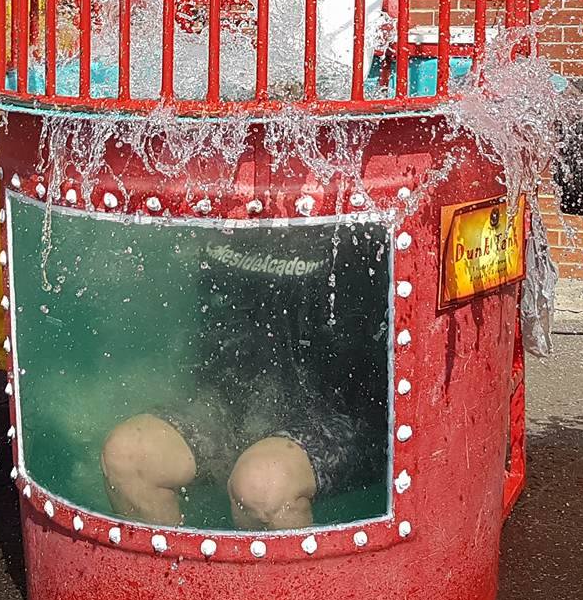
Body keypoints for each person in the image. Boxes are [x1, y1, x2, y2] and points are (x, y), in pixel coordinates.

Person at [98, 223, 387, 530]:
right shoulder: (220, 200)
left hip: (339, 412)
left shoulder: (355, 212)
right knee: (128, 456)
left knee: (263, 484)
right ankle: (174, 565)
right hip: (229, 404)